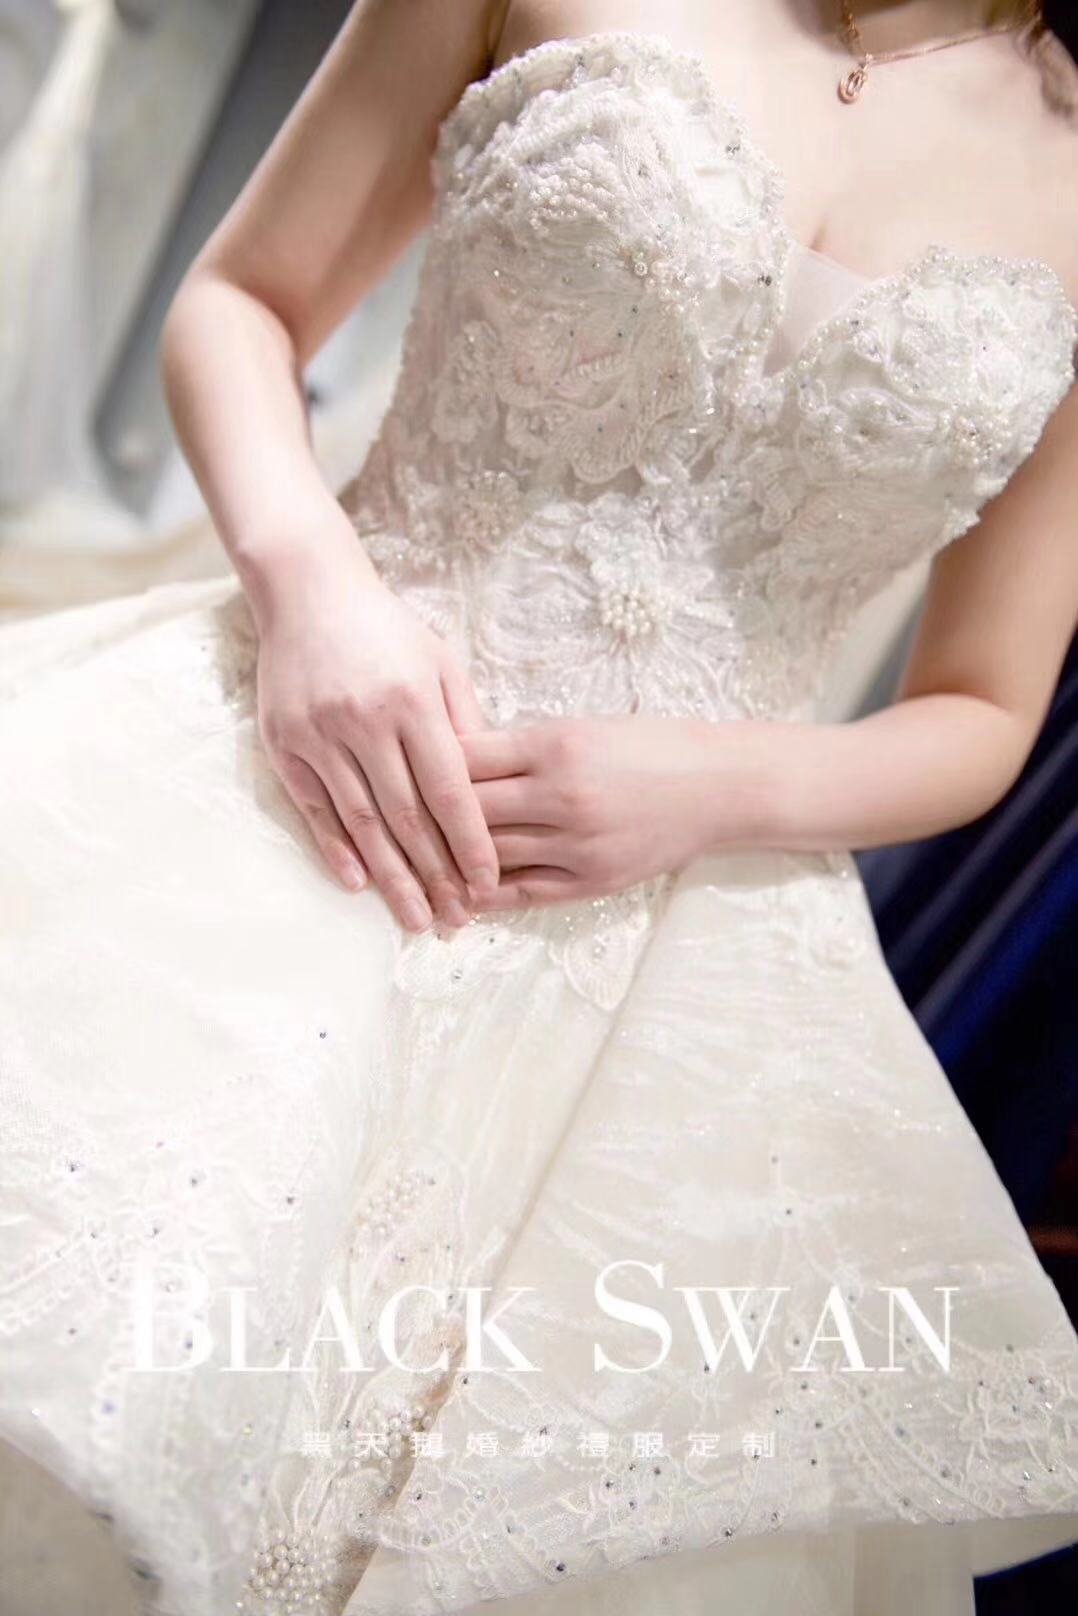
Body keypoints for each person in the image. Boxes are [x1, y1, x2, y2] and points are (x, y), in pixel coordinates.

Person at [1, 1, 1076, 1612]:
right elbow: (244, 301)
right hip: (310, 776)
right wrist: (312, 592)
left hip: (687, 953)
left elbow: (984, 705)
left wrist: (713, 782)